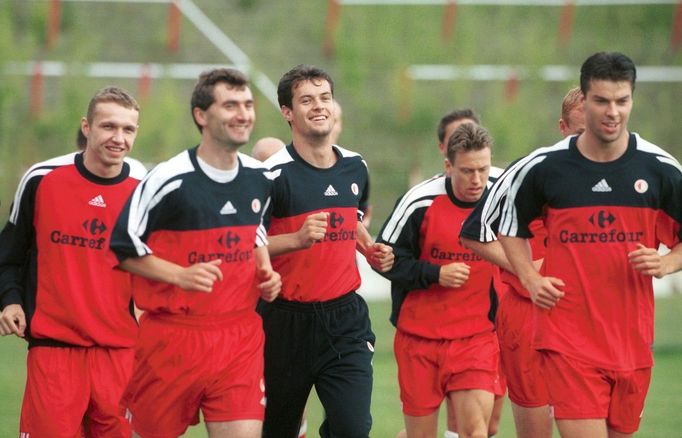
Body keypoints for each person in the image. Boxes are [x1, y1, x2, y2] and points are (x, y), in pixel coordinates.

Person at [496, 52, 682, 438]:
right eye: (601, 100)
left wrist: (669, 262)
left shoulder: (659, 167)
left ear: (632, 99)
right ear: (585, 98)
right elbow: (507, 226)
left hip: (632, 343)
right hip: (568, 342)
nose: (612, 111)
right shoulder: (544, 167)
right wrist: (529, 276)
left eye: (622, 100)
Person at [110, 68, 281, 438]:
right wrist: (180, 276)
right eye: (230, 105)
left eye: (248, 105)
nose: (243, 114)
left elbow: (256, 230)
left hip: (240, 338)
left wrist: (265, 272)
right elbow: (123, 246)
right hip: (172, 341)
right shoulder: (169, 179)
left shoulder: (260, 178)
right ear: (201, 115)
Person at [258, 64, 394, 438]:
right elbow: (246, 246)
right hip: (284, 323)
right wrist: (295, 240)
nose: (319, 107)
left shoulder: (355, 166)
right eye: (306, 100)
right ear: (287, 112)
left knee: (352, 428)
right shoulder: (271, 176)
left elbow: (350, 219)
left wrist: (369, 247)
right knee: (279, 430)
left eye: (325, 98)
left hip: (343, 319)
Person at [0, 86, 144, 437]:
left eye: (128, 130)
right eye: (109, 126)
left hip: (121, 354)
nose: (118, 138)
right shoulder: (41, 178)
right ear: (86, 127)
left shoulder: (146, 188)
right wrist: (10, 299)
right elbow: (10, 255)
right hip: (54, 352)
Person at [460, 86, 586, 438]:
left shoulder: (626, 175)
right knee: (534, 427)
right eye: (579, 132)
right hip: (527, 315)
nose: (588, 141)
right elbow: (473, 233)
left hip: (586, 317)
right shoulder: (529, 172)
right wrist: (530, 272)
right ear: (562, 127)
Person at [377, 122, 501, 438]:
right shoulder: (418, 201)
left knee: (475, 431)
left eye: (483, 170)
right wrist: (435, 274)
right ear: (448, 166)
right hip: (419, 340)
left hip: (475, 339)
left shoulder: (500, 200)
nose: (477, 180)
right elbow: (384, 261)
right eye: (467, 171)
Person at [76, 125, 148, 175]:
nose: (118, 140)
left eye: (128, 129)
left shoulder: (137, 172)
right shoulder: (66, 168)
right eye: (107, 127)